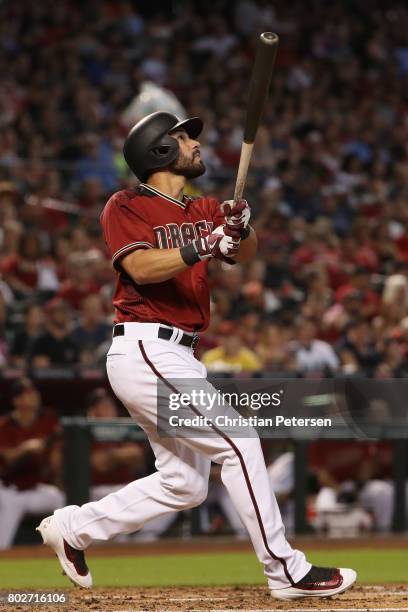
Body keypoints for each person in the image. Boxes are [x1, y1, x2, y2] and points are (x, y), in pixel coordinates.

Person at [37, 111, 356, 599]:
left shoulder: (204, 206)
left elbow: (242, 253)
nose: (195, 145)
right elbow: (141, 268)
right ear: (158, 150)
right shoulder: (126, 204)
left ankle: (75, 529)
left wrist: (237, 228)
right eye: (184, 139)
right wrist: (204, 244)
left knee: (185, 483)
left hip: (181, 354)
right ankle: (285, 570)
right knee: (240, 442)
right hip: (146, 345)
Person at [0, 378, 64, 548]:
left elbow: (56, 453)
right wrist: (25, 448)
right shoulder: (5, 425)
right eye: (26, 394)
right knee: (3, 535)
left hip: (36, 488)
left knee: (61, 501)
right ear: (16, 401)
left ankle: (63, 551)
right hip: (9, 490)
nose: (33, 396)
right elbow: (6, 458)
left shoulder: (48, 420)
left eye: (33, 393)